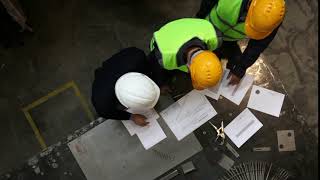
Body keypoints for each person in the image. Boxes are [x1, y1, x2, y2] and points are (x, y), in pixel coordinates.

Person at [196, 0, 286, 85]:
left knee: (232, 60)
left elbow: (258, 45)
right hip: (206, 33)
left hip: (230, 41)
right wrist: (198, 23)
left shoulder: (274, 17)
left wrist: (240, 69)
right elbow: (207, 3)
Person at [91, 47, 161, 127]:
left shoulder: (137, 57)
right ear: (126, 105)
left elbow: (149, 68)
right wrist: (131, 116)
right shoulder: (102, 104)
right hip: (105, 75)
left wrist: (158, 85)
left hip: (120, 63)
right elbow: (108, 113)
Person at [149, 18, 223, 90]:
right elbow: (154, 66)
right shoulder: (164, 57)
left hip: (186, 26)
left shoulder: (215, 37)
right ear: (188, 67)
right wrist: (161, 84)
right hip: (163, 38)